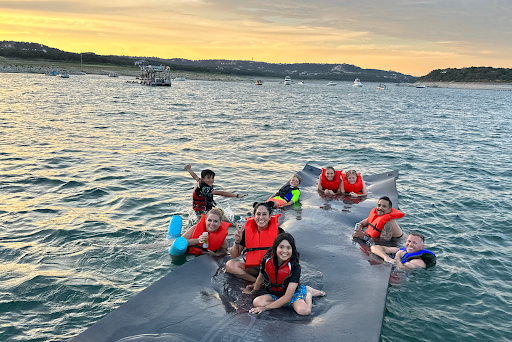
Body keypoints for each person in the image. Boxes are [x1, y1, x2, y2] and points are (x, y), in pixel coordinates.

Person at [242, 233, 325, 315]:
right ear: (275, 248)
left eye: (288, 248)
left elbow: (288, 297)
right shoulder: (267, 260)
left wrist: (265, 308)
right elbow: (261, 277)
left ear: (292, 250)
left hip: (292, 295)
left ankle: (308, 292)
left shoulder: (295, 267)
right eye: (281, 247)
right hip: (275, 294)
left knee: (304, 311)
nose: (285, 251)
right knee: (257, 302)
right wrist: (253, 291)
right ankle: (282, 303)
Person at [226, 202, 284, 282]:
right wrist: (237, 241)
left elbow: (287, 254)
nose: (261, 217)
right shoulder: (246, 232)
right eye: (258, 214)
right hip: (254, 270)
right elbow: (234, 255)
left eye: (264, 214)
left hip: (272, 270)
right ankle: (257, 282)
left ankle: (261, 282)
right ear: (254, 216)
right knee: (230, 265)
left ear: (270, 217)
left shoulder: (279, 232)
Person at [370, 233, 436, 270]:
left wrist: (397, 256)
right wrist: (386, 257)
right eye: (409, 241)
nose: (410, 244)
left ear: (421, 247)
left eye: (414, 243)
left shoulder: (418, 261)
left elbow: (400, 269)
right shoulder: (400, 250)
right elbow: (374, 248)